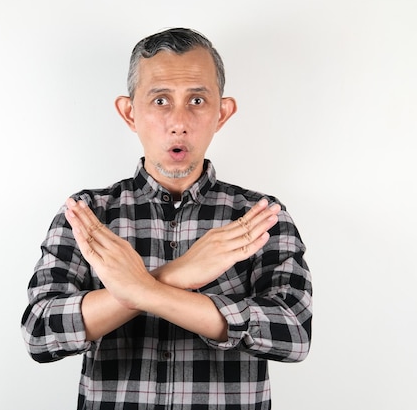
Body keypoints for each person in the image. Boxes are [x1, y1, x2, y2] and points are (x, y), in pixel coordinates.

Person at [22, 27, 312, 410]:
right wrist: (178, 276)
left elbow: (293, 333)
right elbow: (40, 332)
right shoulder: (86, 214)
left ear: (222, 113)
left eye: (196, 99)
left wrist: (144, 289)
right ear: (130, 112)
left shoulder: (259, 217)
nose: (179, 121)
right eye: (160, 100)